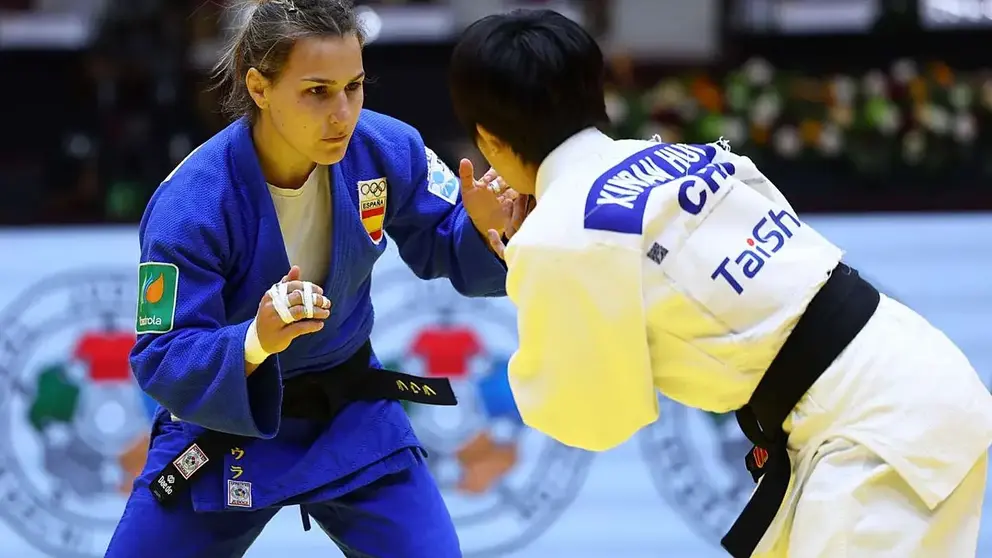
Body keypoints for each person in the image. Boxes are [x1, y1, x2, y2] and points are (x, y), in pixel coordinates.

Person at [448, 9, 992, 558]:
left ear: (489, 141)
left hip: (873, 428)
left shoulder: (556, 238)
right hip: (906, 380)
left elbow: (594, 417)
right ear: (598, 94)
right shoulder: (677, 154)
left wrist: (522, 261)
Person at [106, 1, 528, 556]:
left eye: (354, 86)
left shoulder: (385, 148)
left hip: (348, 414)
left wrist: (483, 231)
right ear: (259, 88)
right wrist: (255, 340)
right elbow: (162, 355)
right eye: (317, 91)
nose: (343, 113)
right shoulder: (191, 204)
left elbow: (449, 243)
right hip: (223, 425)